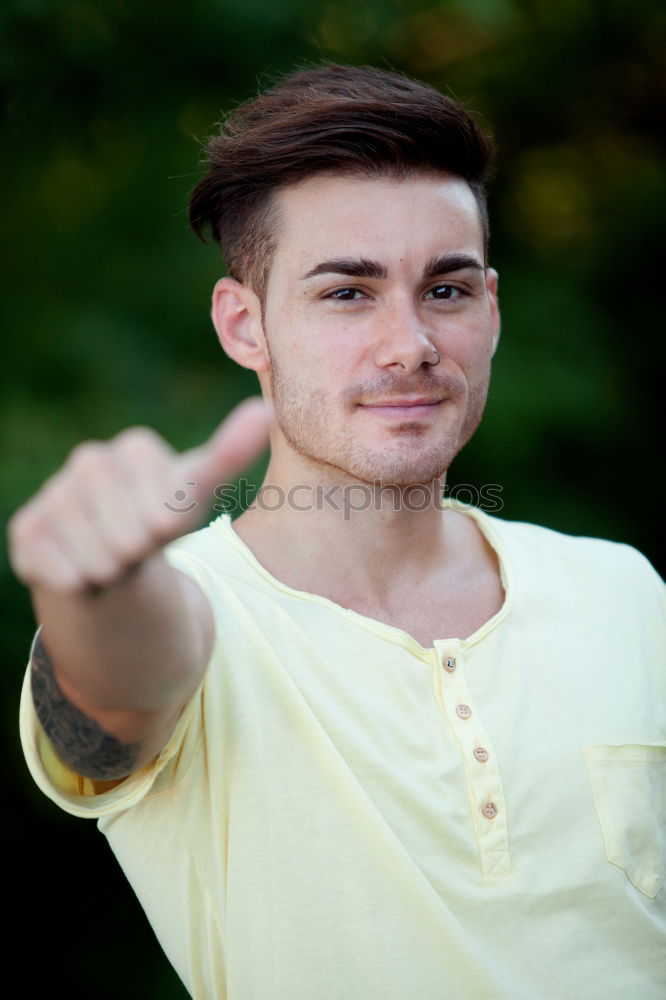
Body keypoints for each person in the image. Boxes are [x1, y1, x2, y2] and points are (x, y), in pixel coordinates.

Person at [10, 63, 665, 1000]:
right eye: (347, 294)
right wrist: (92, 589)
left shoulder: (625, 592)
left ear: (491, 306)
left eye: (445, 290)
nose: (410, 344)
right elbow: (122, 679)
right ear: (245, 326)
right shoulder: (187, 615)